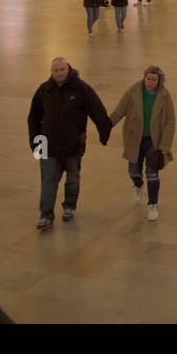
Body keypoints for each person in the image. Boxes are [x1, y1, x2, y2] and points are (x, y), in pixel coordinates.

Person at [28, 58, 111, 231]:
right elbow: (34, 117)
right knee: (48, 181)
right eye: (55, 70)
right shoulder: (44, 90)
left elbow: (97, 110)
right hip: (48, 145)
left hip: (72, 145)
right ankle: (46, 215)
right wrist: (35, 142)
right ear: (51, 72)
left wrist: (104, 132)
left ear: (68, 69)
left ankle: (69, 206)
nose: (59, 73)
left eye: (62, 69)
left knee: (72, 179)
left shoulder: (81, 89)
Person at [107, 65, 176, 222]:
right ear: (144, 78)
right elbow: (120, 110)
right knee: (133, 171)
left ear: (159, 81)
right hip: (135, 139)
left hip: (153, 141)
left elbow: (170, 121)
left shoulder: (164, 96)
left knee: (152, 173)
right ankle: (138, 184)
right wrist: (107, 125)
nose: (150, 82)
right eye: (148, 79)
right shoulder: (134, 91)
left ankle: (153, 204)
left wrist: (165, 146)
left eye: (154, 80)